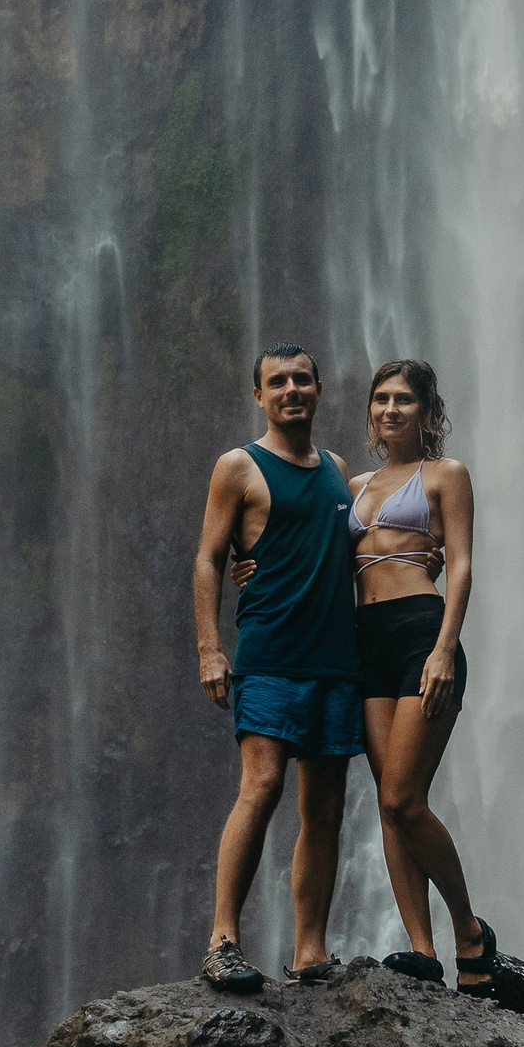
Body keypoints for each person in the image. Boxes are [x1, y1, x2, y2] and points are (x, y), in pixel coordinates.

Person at [192, 345, 361, 992]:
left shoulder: (340, 471)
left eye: (301, 379)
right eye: (277, 382)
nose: (291, 389)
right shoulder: (239, 466)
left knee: (325, 809)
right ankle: (223, 939)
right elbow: (209, 558)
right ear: (258, 396)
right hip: (270, 657)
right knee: (260, 786)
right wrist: (211, 648)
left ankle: (312, 948)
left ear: (320, 389)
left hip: (336, 661)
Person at [348, 359, 496, 993]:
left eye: (403, 400)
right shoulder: (351, 486)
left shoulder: (446, 475)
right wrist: (248, 570)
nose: (390, 410)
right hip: (366, 642)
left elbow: (459, 565)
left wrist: (445, 647)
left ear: (426, 411)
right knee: (388, 806)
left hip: (421, 635)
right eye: (381, 399)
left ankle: (469, 931)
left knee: (404, 798)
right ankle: (421, 949)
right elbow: (301, 551)